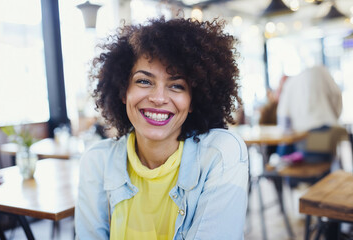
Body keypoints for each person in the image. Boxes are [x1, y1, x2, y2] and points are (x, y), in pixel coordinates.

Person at [74, 17, 249, 240]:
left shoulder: (220, 155)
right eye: (144, 81)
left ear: (193, 101)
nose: (158, 98)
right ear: (122, 91)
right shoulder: (96, 163)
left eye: (176, 85)